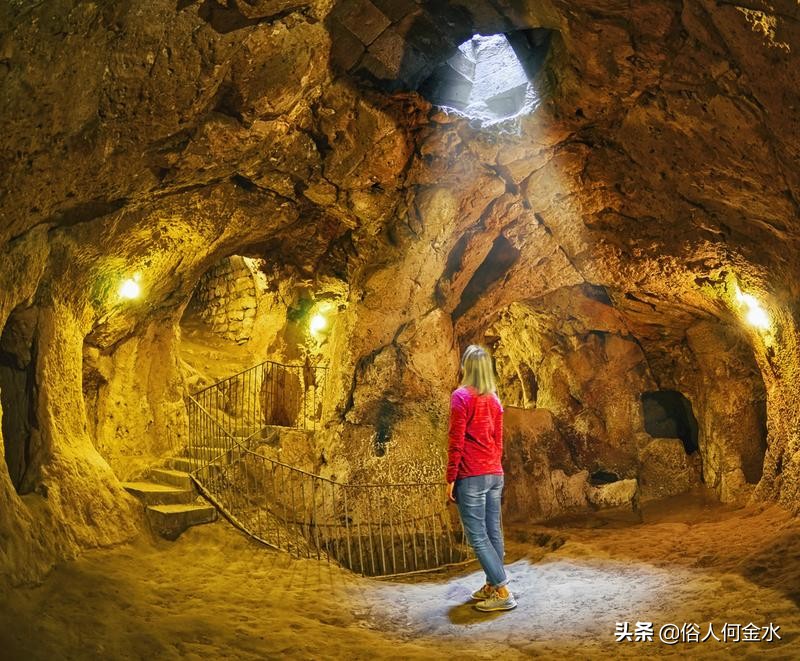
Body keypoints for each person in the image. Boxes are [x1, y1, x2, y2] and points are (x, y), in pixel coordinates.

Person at [446, 344, 516, 612]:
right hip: (493, 473)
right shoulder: (495, 400)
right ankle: (491, 584)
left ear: (466, 367)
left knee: (477, 536)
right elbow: (498, 442)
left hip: (472, 474)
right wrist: (494, 467)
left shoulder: (461, 397)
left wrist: (451, 477)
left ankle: (502, 589)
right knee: (493, 531)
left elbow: (457, 440)